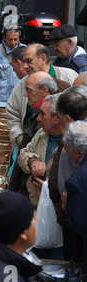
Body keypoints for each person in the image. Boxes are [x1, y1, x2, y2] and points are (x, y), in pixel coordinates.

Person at [6, 43, 78, 146]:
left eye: (29, 61)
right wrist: (19, 139)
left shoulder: (69, 76)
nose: (25, 66)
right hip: (29, 146)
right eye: (24, 61)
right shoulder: (22, 85)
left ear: (43, 59)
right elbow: (12, 113)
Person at [52, 86, 87, 263]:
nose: (55, 121)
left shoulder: (76, 139)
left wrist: (66, 205)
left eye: (57, 116)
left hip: (75, 215)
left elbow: (80, 224)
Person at [8, 72, 58, 193]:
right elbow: (24, 153)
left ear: (44, 91)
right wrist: (32, 161)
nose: (25, 94)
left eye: (29, 90)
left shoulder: (47, 122)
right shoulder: (41, 124)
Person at [17, 94, 63, 211]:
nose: (38, 118)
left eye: (43, 114)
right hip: (33, 203)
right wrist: (33, 161)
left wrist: (50, 186)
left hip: (54, 210)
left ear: (57, 119)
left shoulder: (70, 144)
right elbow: (23, 154)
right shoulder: (42, 133)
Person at [61, 121, 87, 274]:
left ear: (75, 151)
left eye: (66, 148)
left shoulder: (76, 180)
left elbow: (79, 225)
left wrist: (66, 204)